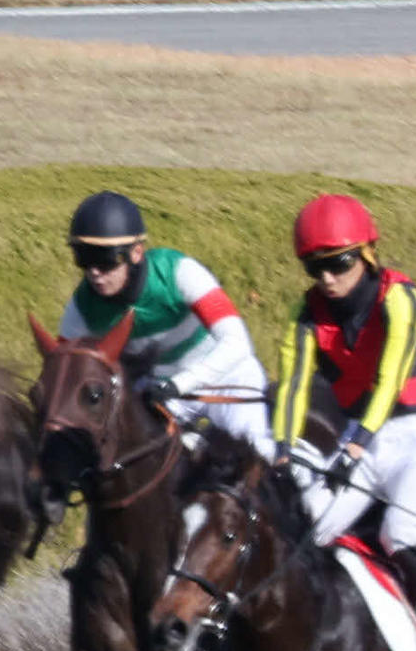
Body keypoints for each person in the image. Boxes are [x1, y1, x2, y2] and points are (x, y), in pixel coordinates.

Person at [273, 192, 416, 651]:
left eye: (339, 263)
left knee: (400, 531)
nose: (328, 278)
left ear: (367, 254)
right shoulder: (307, 314)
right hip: (363, 440)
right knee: (311, 532)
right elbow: (291, 386)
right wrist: (282, 451)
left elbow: (391, 379)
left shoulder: (401, 298)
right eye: (315, 268)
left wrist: (356, 444)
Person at [58, 190, 275, 459]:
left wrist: (179, 384)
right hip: (162, 394)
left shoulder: (179, 272)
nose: (94, 272)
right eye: (83, 258)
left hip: (227, 378)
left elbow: (238, 342)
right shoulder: (82, 306)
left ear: (136, 252)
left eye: (105, 260)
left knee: (258, 456)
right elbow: (63, 375)